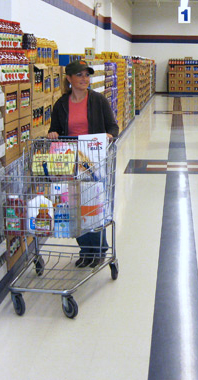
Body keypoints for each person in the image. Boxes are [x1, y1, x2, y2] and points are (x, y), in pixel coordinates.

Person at [48, 60, 119, 268]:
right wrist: (53, 133)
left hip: (93, 160)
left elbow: (113, 126)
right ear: (69, 79)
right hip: (71, 161)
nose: (84, 79)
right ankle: (85, 250)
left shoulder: (98, 100)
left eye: (86, 75)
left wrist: (109, 135)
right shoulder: (61, 103)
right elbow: (55, 129)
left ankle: (98, 250)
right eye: (79, 75)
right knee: (75, 207)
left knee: (93, 206)